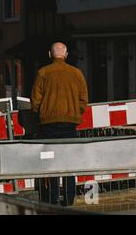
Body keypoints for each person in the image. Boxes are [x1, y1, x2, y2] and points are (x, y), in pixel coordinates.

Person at [31, 42, 88, 206]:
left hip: (48, 124)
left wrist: (41, 113)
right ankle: (69, 199)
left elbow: (35, 101)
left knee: (51, 161)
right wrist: (76, 113)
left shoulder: (43, 73)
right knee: (69, 161)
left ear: (50, 55)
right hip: (70, 123)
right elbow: (83, 100)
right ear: (66, 55)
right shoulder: (76, 73)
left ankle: (53, 198)